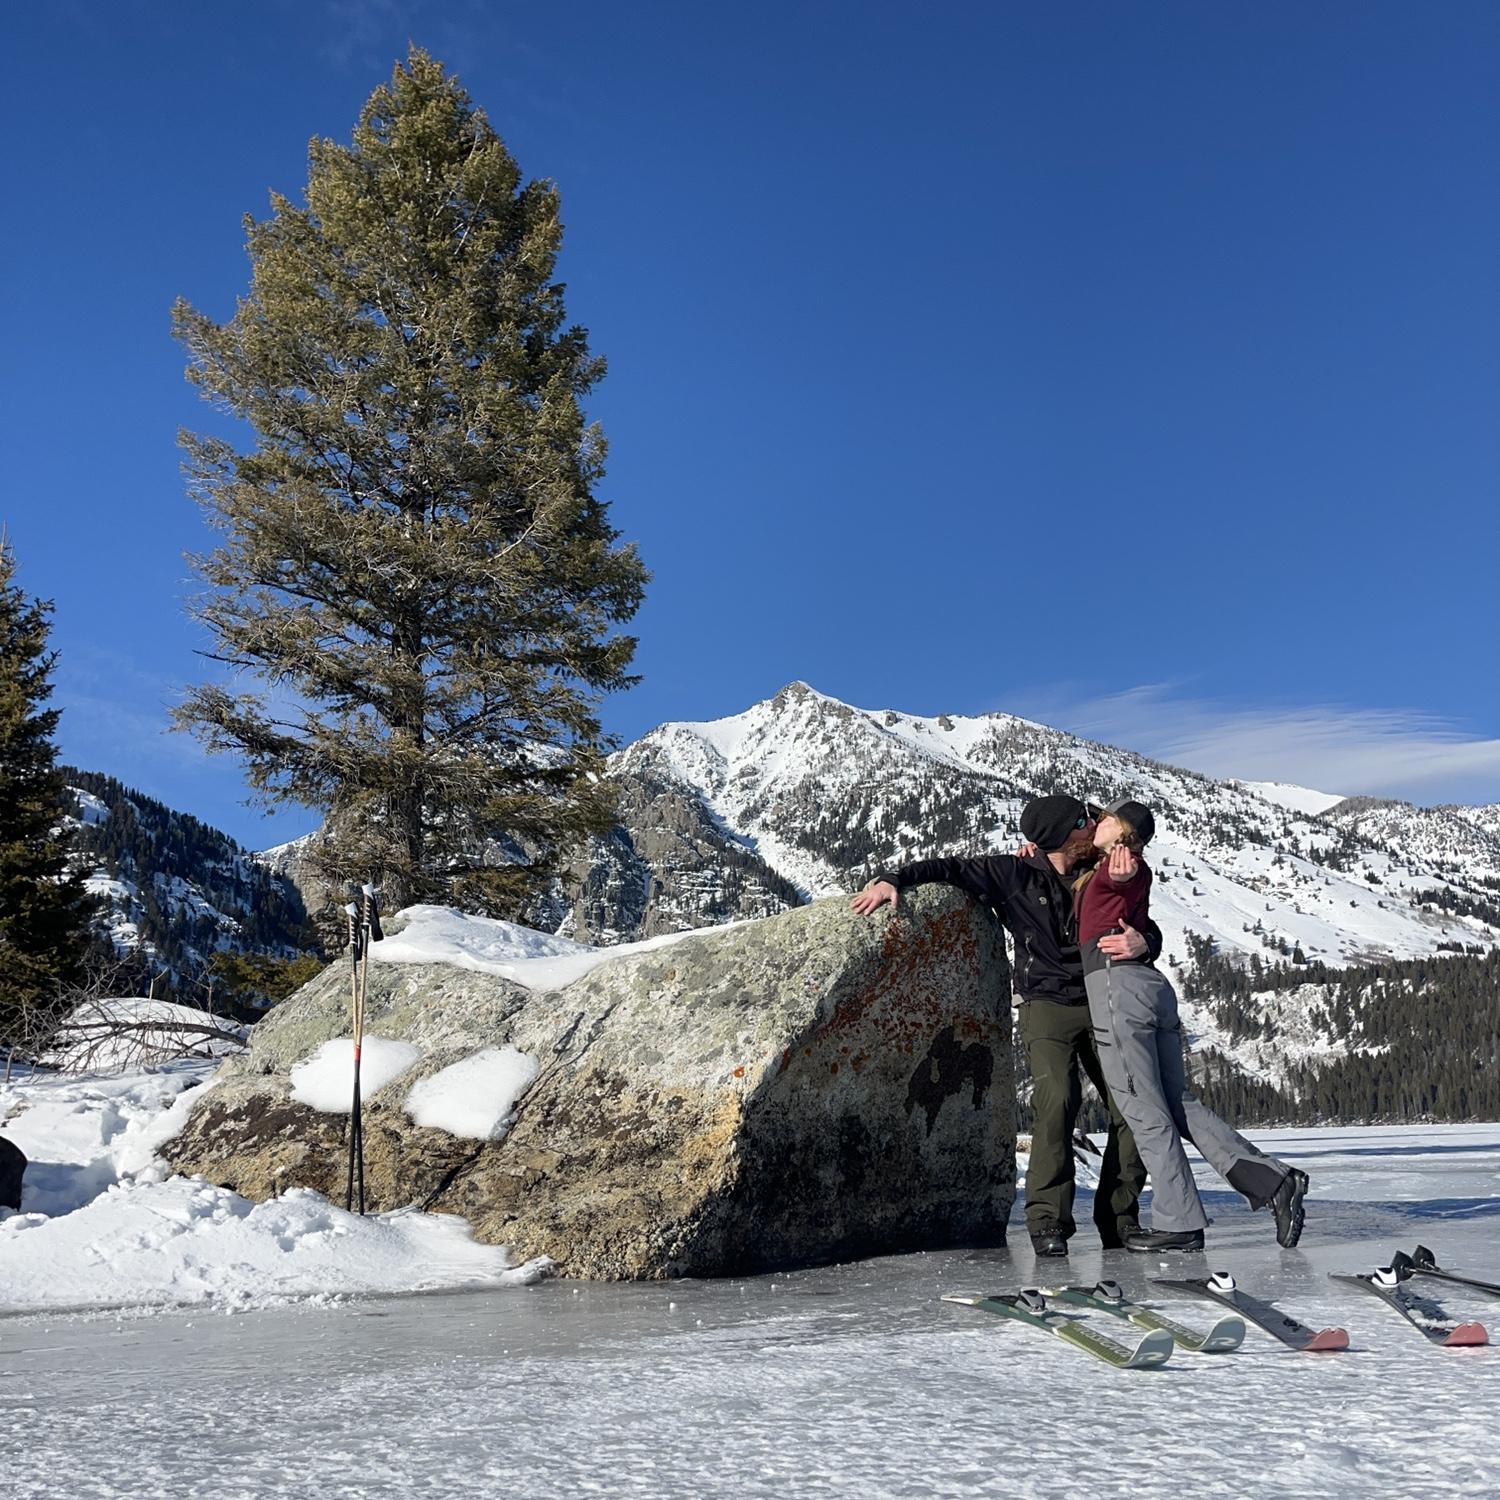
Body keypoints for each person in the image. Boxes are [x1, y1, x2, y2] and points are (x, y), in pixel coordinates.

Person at [851, 793, 1159, 1258]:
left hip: (1105, 998)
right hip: (1045, 1005)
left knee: (1132, 1108)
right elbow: (949, 868)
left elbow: (1144, 923)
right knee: (1057, 1100)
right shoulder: (1012, 874)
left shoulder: (1108, 869)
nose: (1092, 826)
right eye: (1083, 822)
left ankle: (1119, 1219)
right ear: (1059, 836)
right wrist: (891, 880)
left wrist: (1144, 942)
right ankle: (1047, 1222)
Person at [1076, 798, 1310, 1251]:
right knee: (1177, 1104)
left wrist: (1117, 874)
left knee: (1144, 1112)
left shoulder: (1119, 869)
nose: (1096, 821)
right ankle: (1274, 1182)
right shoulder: (1121, 869)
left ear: (1122, 834)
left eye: (1104, 818)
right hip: (1151, 990)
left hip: (1116, 990)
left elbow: (1119, 877)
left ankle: (1179, 1221)